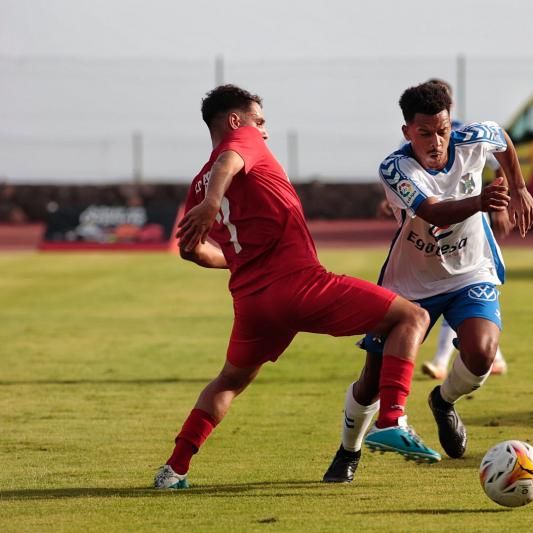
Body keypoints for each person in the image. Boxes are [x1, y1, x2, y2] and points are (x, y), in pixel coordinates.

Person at [153, 84, 441, 490]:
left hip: (252, 303)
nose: (264, 132)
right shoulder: (239, 144)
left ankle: (174, 469)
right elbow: (229, 161)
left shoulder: (196, 184)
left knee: (228, 383)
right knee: (412, 317)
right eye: (260, 121)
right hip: (300, 286)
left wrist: (232, 251)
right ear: (236, 121)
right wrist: (214, 202)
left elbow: (193, 251)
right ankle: (392, 419)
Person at [322, 81, 533, 483]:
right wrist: (482, 201)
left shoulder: (472, 138)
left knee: (483, 351)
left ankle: (443, 401)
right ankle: (348, 452)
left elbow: (503, 140)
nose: (436, 141)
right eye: (425, 133)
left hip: (471, 270)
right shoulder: (395, 168)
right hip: (411, 284)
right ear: (407, 132)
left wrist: (520, 187)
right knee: (371, 382)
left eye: (442, 130)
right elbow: (435, 213)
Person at [417, 78, 510, 382]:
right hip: (433, 231)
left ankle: (443, 360)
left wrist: (503, 200)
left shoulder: (465, 132)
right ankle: (491, 354)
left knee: (458, 287)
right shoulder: (420, 134)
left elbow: (500, 154)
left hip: (468, 228)